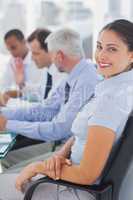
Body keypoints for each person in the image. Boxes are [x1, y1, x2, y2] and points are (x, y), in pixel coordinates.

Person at [0, 19, 133, 200]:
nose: (100, 55)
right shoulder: (110, 85)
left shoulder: (109, 98)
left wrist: (37, 167)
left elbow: (87, 173)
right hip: (67, 165)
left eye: (112, 49)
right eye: (99, 46)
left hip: (74, 188)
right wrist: (61, 153)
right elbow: (50, 111)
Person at [0, 28, 98, 168]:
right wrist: (4, 114)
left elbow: (59, 129)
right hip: (59, 144)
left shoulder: (86, 81)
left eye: (51, 55)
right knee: (5, 157)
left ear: (59, 56)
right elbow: (46, 109)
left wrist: (7, 124)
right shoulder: (71, 76)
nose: (51, 60)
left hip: (68, 152)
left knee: (9, 164)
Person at [7, 28, 67, 150]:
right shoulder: (48, 72)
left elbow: (46, 112)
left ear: (51, 52)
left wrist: (9, 117)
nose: (32, 58)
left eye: (36, 53)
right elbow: (38, 94)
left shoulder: (62, 76)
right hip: (41, 127)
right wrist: (21, 83)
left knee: (9, 149)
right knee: (7, 140)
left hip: (51, 135)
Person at [0, 29, 44, 105]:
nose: (12, 53)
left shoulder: (38, 59)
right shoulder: (12, 62)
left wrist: (21, 90)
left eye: (13, 47)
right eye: (9, 50)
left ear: (24, 42)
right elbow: (3, 85)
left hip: (36, 104)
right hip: (21, 104)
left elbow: (41, 92)